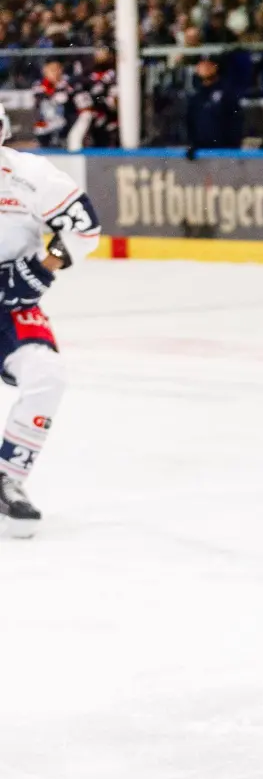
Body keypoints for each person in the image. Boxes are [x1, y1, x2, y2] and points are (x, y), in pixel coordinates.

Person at [0, 103, 101, 534]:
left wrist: (43, 267)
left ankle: (9, 479)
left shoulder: (31, 177)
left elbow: (83, 228)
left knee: (47, 375)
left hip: (10, 305)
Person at [184, 54, 244, 149]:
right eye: (201, 64)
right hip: (200, 152)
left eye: (209, 64)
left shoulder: (227, 92)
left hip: (224, 151)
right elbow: (190, 122)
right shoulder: (196, 96)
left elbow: (236, 123)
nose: (204, 67)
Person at [31, 60, 72, 148]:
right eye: (51, 70)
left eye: (57, 70)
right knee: (43, 143)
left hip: (61, 122)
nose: (55, 73)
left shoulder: (65, 83)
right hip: (44, 121)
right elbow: (38, 97)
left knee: (61, 144)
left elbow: (65, 98)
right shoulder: (39, 84)